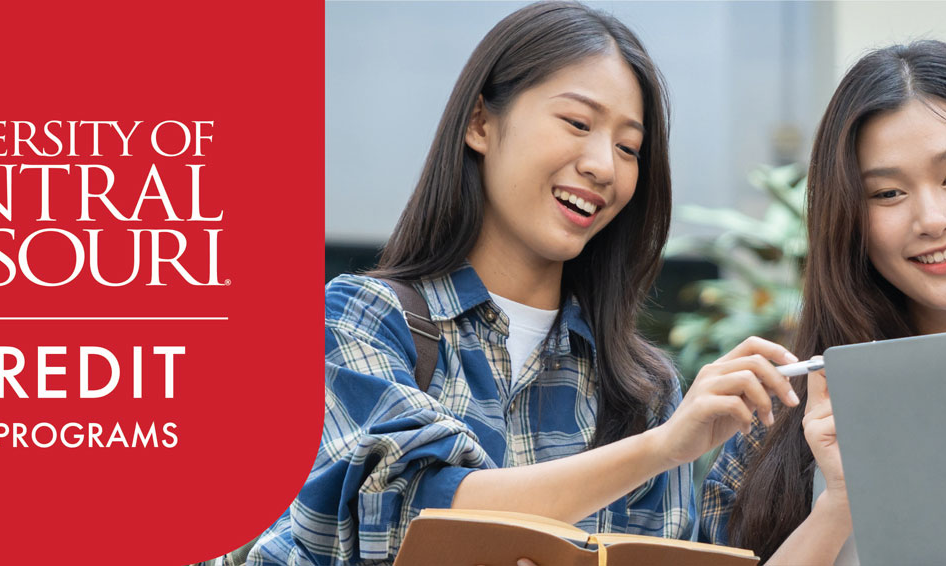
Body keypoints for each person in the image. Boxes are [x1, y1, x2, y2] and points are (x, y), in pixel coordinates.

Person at [240, 2, 798, 564]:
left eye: (629, 148)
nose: (604, 165)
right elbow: (412, 519)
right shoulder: (360, 320)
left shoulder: (643, 393)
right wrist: (659, 449)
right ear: (480, 123)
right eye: (578, 123)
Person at [700, 39, 946, 564]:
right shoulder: (779, 428)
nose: (932, 219)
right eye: (887, 194)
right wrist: (841, 506)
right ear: (849, 217)